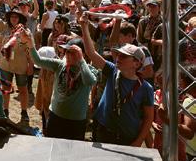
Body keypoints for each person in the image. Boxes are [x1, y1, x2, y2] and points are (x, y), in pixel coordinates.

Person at [80, 13, 154, 147]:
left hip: (127, 137)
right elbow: (91, 53)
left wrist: (138, 141)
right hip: (103, 132)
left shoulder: (146, 88)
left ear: (136, 63)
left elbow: (149, 118)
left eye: (124, 56)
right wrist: (84, 27)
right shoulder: (112, 70)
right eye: (118, 54)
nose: (118, 58)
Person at [23, 30, 98, 141]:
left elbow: (90, 81)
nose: (68, 55)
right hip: (55, 117)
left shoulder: (90, 70)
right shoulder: (59, 65)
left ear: (82, 55)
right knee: (52, 146)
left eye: (72, 53)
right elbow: (38, 61)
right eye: (67, 51)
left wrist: (81, 61)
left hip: (76, 121)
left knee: (72, 149)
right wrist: (30, 43)